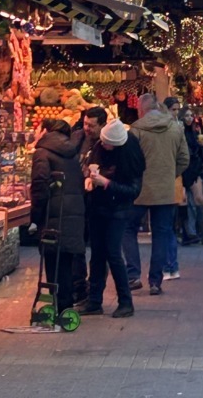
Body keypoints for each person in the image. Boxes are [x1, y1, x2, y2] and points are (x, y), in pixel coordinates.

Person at [77, 119, 145, 318]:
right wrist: (90, 179)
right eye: (102, 142)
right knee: (97, 254)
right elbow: (92, 165)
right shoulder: (100, 146)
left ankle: (126, 301)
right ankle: (94, 301)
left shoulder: (130, 157)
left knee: (113, 254)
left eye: (107, 143)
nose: (103, 145)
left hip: (118, 211)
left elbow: (133, 191)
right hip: (97, 207)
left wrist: (106, 183)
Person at [123, 93, 189, 295]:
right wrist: (170, 175)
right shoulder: (175, 128)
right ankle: (155, 281)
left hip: (139, 191)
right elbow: (184, 159)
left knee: (128, 228)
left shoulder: (135, 130)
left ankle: (133, 274)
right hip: (165, 191)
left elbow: (130, 161)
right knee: (161, 233)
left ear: (141, 110)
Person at [30, 118, 86, 315]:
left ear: (46, 131)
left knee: (53, 261)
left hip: (52, 213)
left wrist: (35, 217)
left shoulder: (42, 153)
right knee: (66, 261)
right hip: (74, 212)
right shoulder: (72, 153)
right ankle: (66, 305)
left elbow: (39, 185)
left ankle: (57, 305)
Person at [69, 105, 108, 305]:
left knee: (99, 250)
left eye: (91, 125)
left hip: (99, 202)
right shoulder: (76, 138)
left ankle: (95, 292)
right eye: (85, 123)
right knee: (77, 245)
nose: (87, 128)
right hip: (78, 199)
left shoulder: (108, 143)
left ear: (102, 125)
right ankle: (79, 287)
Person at [180, 106, 203, 246]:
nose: (189, 118)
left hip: (194, 169)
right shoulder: (179, 132)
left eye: (190, 116)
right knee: (184, 202)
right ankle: (188, 232)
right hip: (183, 170)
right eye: (186, 116)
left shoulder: (195, 133)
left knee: (199, 199)